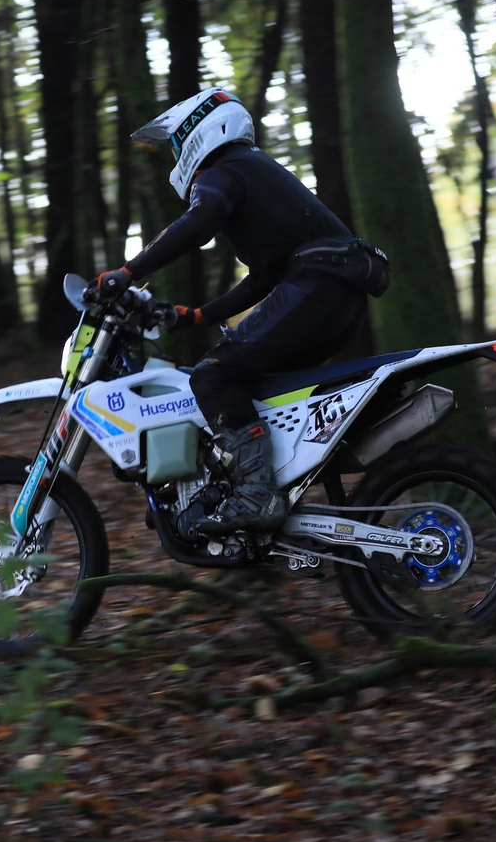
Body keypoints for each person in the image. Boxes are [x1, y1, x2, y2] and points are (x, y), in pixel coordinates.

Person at [94, 88, 388, 537]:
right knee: (258, 387)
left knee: (214, 376)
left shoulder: (224, 169)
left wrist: (128, 272)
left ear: (200, 132)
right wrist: (199, 316)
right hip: (333, 293)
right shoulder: (250, 173)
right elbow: (263, 276)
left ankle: (256, 495)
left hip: (319, 286)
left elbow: (196, 224)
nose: (175, 156)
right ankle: (270, 494)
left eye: (175, 144)